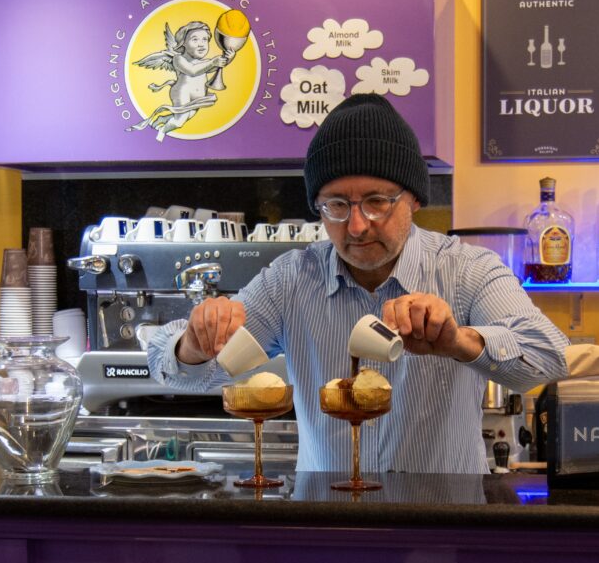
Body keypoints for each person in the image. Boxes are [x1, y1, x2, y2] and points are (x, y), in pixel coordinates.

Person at [148, 93, 569, 473]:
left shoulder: (467, 270)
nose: (356, 225)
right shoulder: (292, 280)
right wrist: (196, 344)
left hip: (440, 525)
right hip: (329, 529)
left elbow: (552, 357)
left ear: (414, 199)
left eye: (376, 201)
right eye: (336, 205)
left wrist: (459, 342)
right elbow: (178, 373)